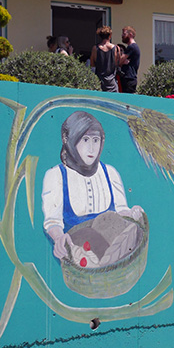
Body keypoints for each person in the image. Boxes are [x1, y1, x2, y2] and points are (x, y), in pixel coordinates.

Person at [41, 111, 143, 261]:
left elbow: (120, 212)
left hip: (112, 257)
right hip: (77, 258)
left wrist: (132, 214)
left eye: (96, 140)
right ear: (69, 140)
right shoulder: (56, 175)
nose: (91, 148)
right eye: (85, 140)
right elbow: (53, 221)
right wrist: (59, 239)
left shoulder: (110, 173)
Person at [90, 26, 120, 92]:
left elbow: (92, 65)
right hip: (112, 84)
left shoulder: (95, 49)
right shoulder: (116, 48)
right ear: (110, 35)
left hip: (99, 83)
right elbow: (117, 64)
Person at [118, 26, 140, 93]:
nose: (122, 36)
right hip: (129, 78)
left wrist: (121, 62)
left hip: (129, 79)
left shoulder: (131, 47)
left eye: (124, 34)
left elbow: (119, 61)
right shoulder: (132, 47)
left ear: (130, 34)